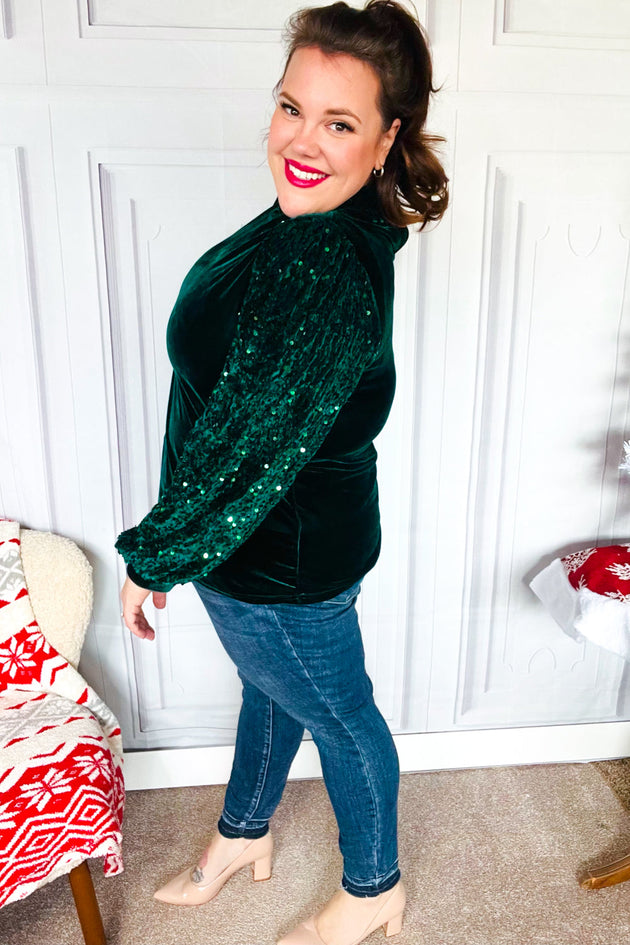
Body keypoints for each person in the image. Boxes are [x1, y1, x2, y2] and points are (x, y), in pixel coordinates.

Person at [116, 2, 448, 942]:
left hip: (279, 559)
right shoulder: (322, 222)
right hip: (275, 542)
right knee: (272, 688)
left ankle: (374, 885)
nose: (301, 142)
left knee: (340, 718)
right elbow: (246, 412)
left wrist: (156, 554)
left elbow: (245, 445)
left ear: (386, 138)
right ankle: (243, 834)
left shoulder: (321, 264)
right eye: (292, 107)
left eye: (339, 123)